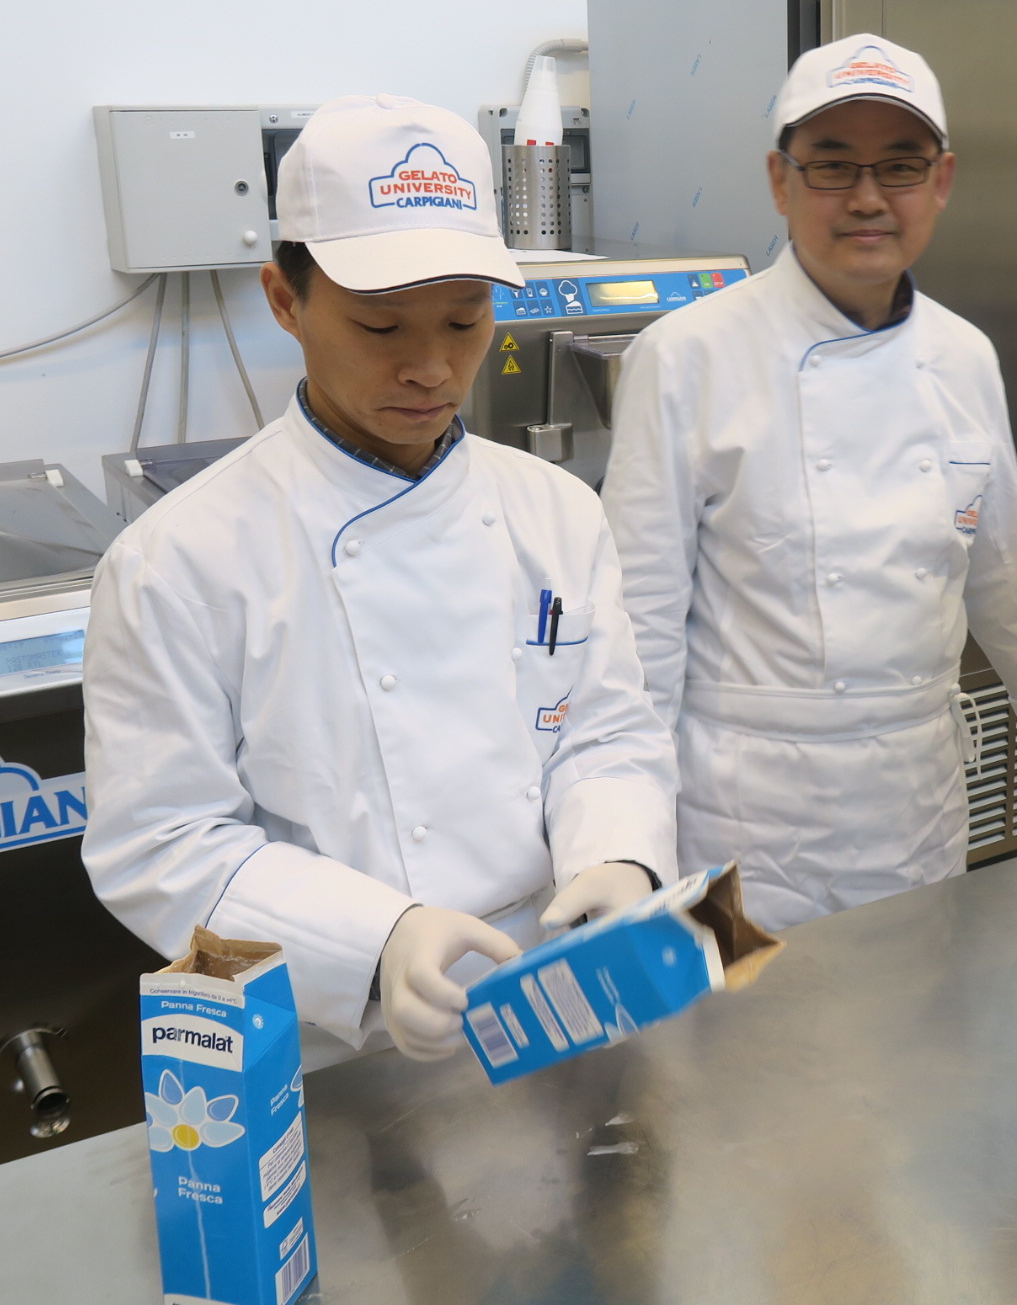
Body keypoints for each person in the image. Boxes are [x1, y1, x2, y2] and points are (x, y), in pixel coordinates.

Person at [83, 95, 677, 1066]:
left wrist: (618, 853)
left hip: (558, 994)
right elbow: (159, 843)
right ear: (285, 301)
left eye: (464, 320)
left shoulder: (556, 510)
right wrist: (377, 941)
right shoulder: (178, 562)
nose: (432, 368)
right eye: (381, 326)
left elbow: (604, 731)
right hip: (339, 1033)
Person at [600, 34, 1017, 933]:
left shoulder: (963, 355)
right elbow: (641, 628)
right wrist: (626, 840)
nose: (867, 198)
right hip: (741, 821)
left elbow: (1005, 572)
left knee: (911, 1009)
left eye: (900, 166)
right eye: (832, 166)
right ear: (780, 182)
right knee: (751, 1023)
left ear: (941, 181)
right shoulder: (686, 357)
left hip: (915, 806)